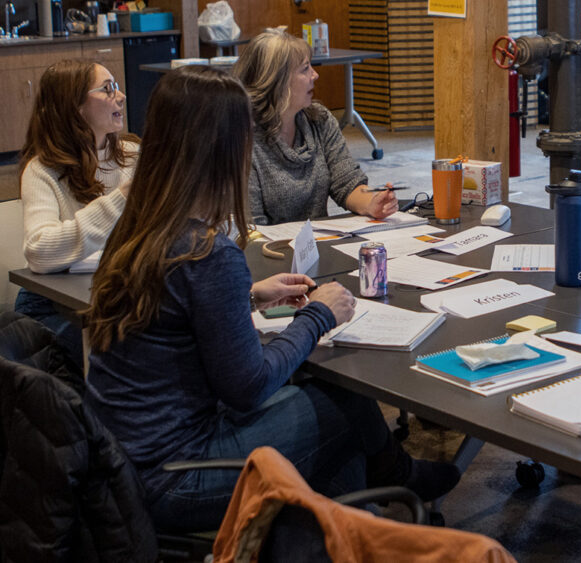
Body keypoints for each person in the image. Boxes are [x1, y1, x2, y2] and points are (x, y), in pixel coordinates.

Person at [84, 66, 460, 533]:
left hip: (121, 463)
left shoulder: (138, 225)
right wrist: (320, 314)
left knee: (329, 398)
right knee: (343, 403)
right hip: (176, 479)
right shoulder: (206, 252)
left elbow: (170, 314)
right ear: (226, 149)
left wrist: (246, 296)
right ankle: (378, 500)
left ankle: (362, 515)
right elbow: (247, 387)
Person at [17, 60, 138, 365]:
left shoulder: (135, 155)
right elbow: (40, 253)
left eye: (118, 87)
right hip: (57, 306)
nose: (120, 96)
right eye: (107, 89)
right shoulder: (42, 171)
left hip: (119, 297)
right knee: (129, 358)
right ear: (75, 107)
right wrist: (121, 198)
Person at [233, 29, 398, 226]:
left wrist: (372, 203)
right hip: (269, 251)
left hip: (315, 247)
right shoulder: (242, 139)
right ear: (278, 81)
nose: (315, 74)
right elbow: (250, 229)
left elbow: (346, 182)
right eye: (305, 69)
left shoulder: (319, 119)